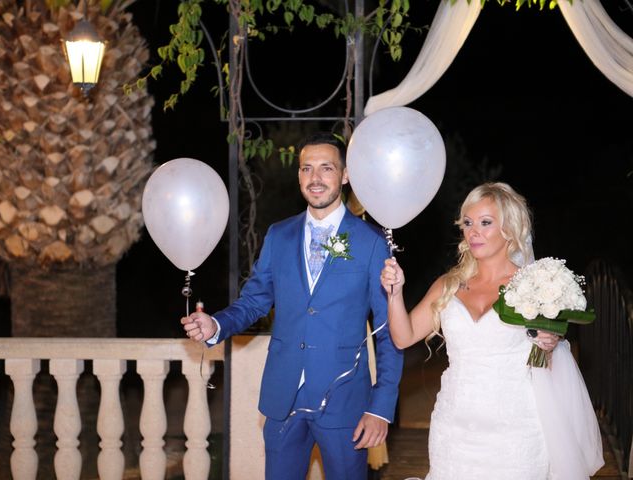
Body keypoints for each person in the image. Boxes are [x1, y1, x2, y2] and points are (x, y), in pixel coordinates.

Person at [182, 132, 403, 480]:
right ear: (298, 175)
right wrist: (217, 325)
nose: (315, 178)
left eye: (326, 168)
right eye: (306, 169)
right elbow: (254, 300)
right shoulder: (278, 235)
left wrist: (381, 408)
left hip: (344, 402)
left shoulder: (371, 242)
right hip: (282, 399)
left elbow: (389, 331)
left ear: (345, 175)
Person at [380, 182, 604, 480]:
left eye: (485, 223)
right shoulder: (448, 285)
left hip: (516, 428)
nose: (473, 232)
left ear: (509, 229)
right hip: (455, 424)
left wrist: (548, 346)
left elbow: (548, 362)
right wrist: (394, 294)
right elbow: (403, 336)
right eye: (468, 223)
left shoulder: (536, 286)